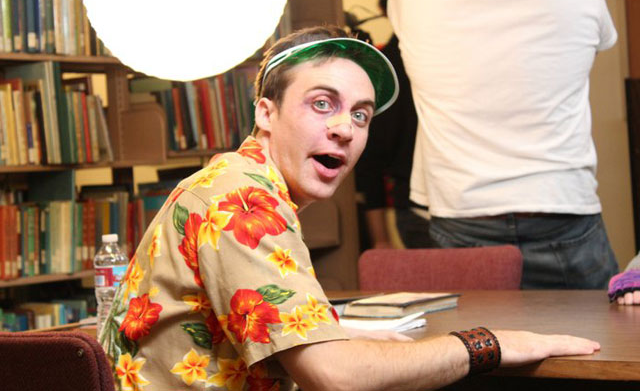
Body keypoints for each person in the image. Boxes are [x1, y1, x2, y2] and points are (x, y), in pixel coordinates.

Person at [100, 25, 600, 391]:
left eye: (361, 114)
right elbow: (334, 376)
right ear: (266, 113)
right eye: (322, 103)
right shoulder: (239, 199)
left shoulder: (238, 181)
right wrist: (488, 344)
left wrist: (338, 332)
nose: (346, 128)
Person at [387, 0, 619, 289]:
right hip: (560, 201)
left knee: (472, 327)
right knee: (599, 324)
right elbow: (583, 58)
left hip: (463, 210)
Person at [355, 0, 432, 250]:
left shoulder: (380, 70)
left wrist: (381, 241)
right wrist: (381, 242)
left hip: (416, 209)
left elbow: (369, 161)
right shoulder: (382, 71)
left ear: (382, 8)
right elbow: (369, 161)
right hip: (427, 211)